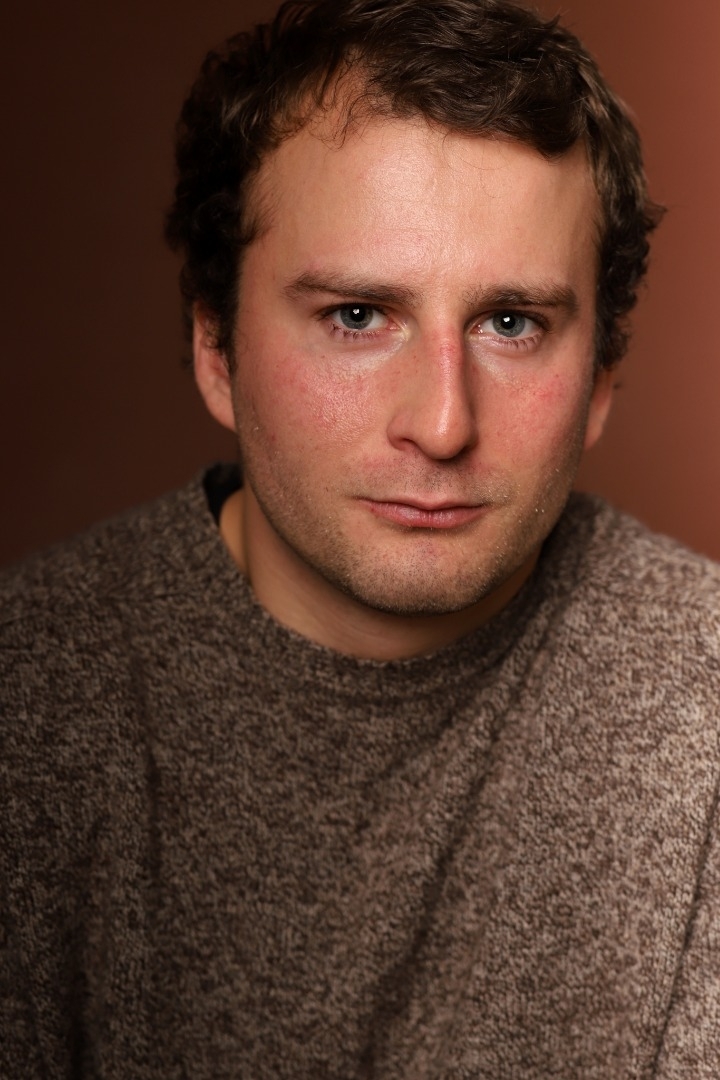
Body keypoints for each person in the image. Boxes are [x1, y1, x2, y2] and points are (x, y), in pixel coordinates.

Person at [2, 0, 719, 1075]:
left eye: (511, 323)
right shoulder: (28, 703)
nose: (442, 423)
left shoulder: (703, 704)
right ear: (215, 350)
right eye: (356, 316)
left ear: (602, 382)